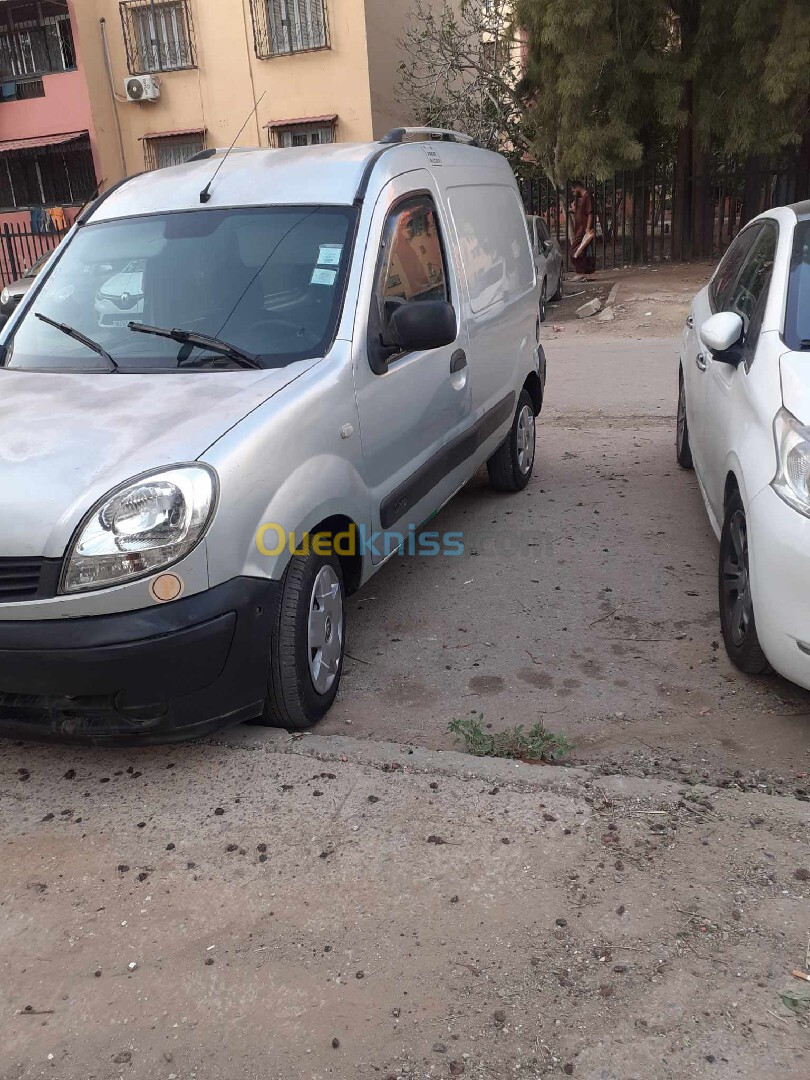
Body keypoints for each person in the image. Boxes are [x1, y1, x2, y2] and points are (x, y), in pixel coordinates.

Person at [570, 180, 595, 278]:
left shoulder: (587, 196)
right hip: (581, 228)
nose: (573, 192)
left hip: (584, 229)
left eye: (573, 190)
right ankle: (584, 272)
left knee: (574, 251)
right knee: (581, 251)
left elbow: (590, 213)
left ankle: (581, 272)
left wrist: (588, 228)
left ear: (577, 187)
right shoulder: (583, 197)